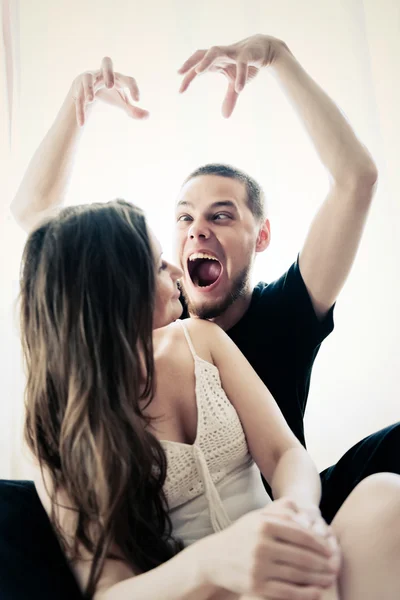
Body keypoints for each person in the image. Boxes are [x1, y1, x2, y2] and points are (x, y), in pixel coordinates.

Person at [11, 33, 399, 526]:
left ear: (260, 237)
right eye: (184, 217)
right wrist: (76, 102)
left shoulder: (286, 312)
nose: (197, 229)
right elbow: (39, 220)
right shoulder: (150, 318)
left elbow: (356, 179)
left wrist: (277, 57)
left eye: (221, 216)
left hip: (296, 504)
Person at [19, 198, 400, 600]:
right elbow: (110, 592)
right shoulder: (61, 431)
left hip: (280, 558)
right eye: (157, 264)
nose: (174, 269)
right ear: (115, 294)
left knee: (385, 497)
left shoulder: (202, 339)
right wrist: (216, 561)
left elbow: (284, 452)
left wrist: (299, 512)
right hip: (201, 591)